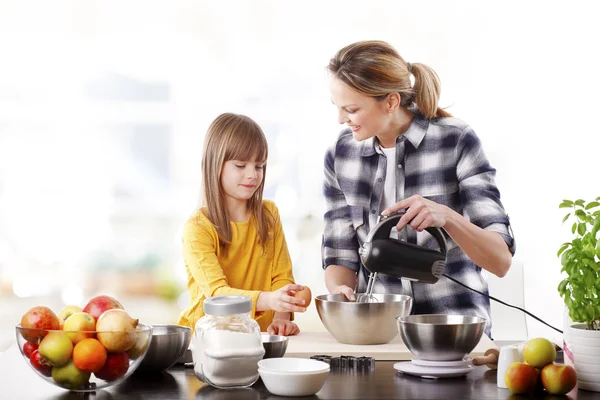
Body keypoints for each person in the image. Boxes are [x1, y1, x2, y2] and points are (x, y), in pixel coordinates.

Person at [322, 40, 515, 337]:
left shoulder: (456, 140)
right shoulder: (341, 155)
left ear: (391, 102)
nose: (340, 119)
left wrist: (447, 217)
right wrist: (341, 292)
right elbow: (339, 255)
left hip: (454, 331)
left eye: (351, 109)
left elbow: (500, 260)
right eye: (337, 107)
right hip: (380, 334)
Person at [178, 112, 306, 336]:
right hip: (206, 340)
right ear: (215, 165)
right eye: (240, 165)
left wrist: (281, 318)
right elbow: (218, 294)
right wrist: (270, 300)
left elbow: (281, 276)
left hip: (258, 338)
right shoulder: (198, 228)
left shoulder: (269, 215)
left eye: (259, 166)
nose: (252, 175)